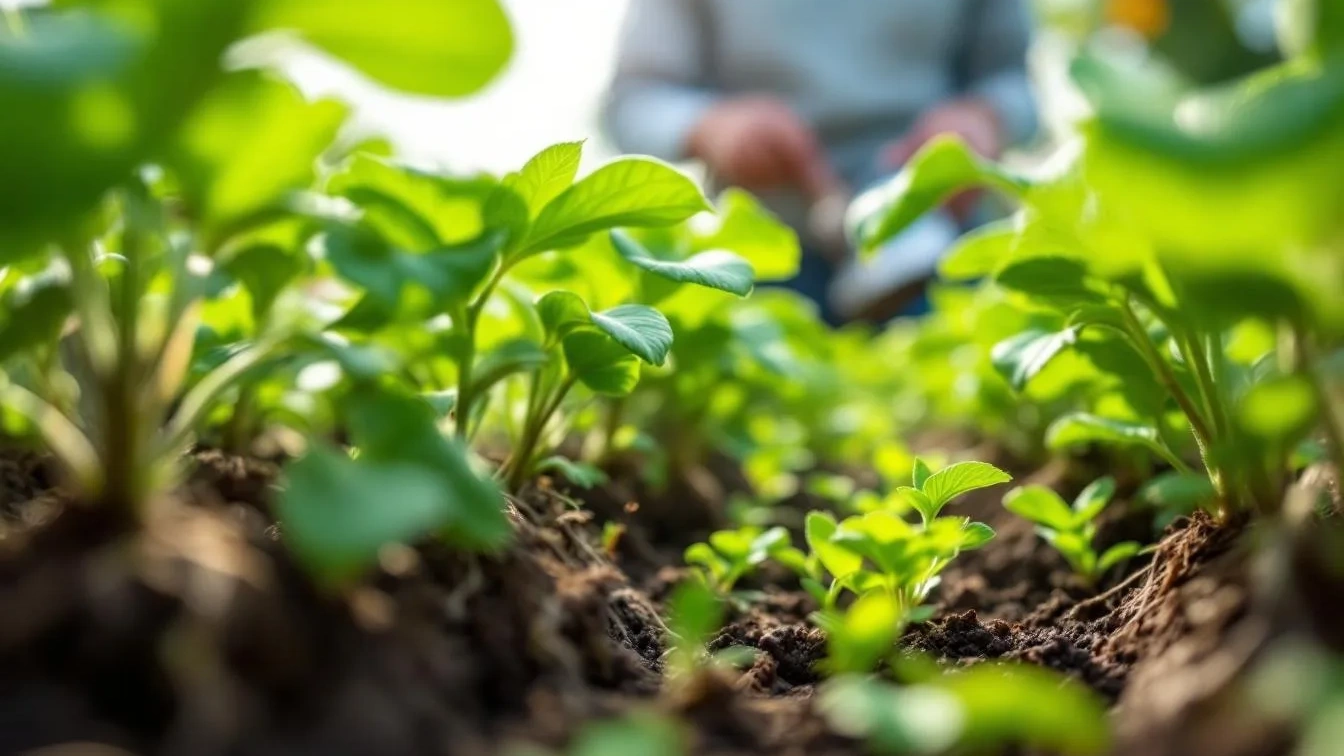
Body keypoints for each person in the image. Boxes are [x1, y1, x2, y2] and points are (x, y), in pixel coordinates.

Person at [602, 0, 1036, 323]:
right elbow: (634, 100)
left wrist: (983, 118)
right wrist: (712, 127)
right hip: (763, 248)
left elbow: (1014, 81)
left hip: (936, 238)